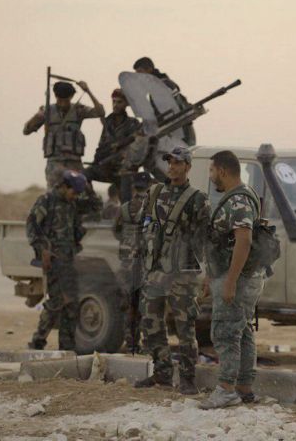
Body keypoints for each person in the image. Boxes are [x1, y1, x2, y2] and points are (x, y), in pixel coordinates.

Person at [134, 147, 210, 395]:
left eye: (178, 163)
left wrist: (208, 272)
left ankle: (188, 378)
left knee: (185, 328)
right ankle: (162, 373)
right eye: (170, 162)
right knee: (150, 323)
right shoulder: (155, 192)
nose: (172, 167)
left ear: (188, 166)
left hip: (182, 275)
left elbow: (206, 240)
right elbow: (141, 227)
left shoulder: (197, 199)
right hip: (155, 271)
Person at [200, 150, 265, 409]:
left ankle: (226, 390)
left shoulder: (238, 201)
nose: (211, 176)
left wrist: (230, 281)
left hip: (237, 279)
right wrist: (211, 277)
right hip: (238, 276)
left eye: (212, 171)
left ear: (223, 171)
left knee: (226, 333)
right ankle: (244, 389)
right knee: (243, 331)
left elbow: (244, 240)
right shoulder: (241, 197)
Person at [26, 170, 97, 351]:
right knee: (56, 302)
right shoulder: (46, 201)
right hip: (54, 260)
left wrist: (88, 186)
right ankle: (37, 342)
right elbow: (32, 226)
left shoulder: (72, 203)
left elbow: (95, 205)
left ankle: (66, 347)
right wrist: (42, 250)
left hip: (69, 260)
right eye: (74, 192)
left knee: (72, 304)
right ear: (64, 186)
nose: (76, 196)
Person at [23, 80, 105, 188]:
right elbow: (26, 131)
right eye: (59, 100)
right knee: (54, 194)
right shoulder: (47, 111)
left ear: (71, 97)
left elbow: (100, 112)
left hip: (74, 162)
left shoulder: (78, 110)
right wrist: (36, 117)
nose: (62, 104)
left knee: (81, 192)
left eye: (65, 100)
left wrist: (88, 91)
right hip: (55, 162)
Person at [113, 172, 151, 353]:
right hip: (144, 263)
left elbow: (116, 230)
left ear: (134, 186)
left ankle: (130, 343)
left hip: (127, 261)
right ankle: (144, 343)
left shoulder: (124, 208)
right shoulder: (152, 208)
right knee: (143, 305)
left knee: (128, 305)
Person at [83, 89, 141, 202]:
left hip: (123, 170)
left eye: (119, 102)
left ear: (126, 104)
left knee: (126, 200)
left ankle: (126, 215)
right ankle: (93, 202)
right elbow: (102, 146)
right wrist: (99, 158)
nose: (115, 105)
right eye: (113, 102)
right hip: (106, 166)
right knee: (83, 175)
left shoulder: (133, 124)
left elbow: (137, 148)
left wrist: (122, 149)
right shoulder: (107, 122)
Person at [133, 57, 196, 145]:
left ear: (149, 69)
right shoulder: (161, 85)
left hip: (179, 133)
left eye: (140, 72)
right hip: (179, 132)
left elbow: (165, 113)